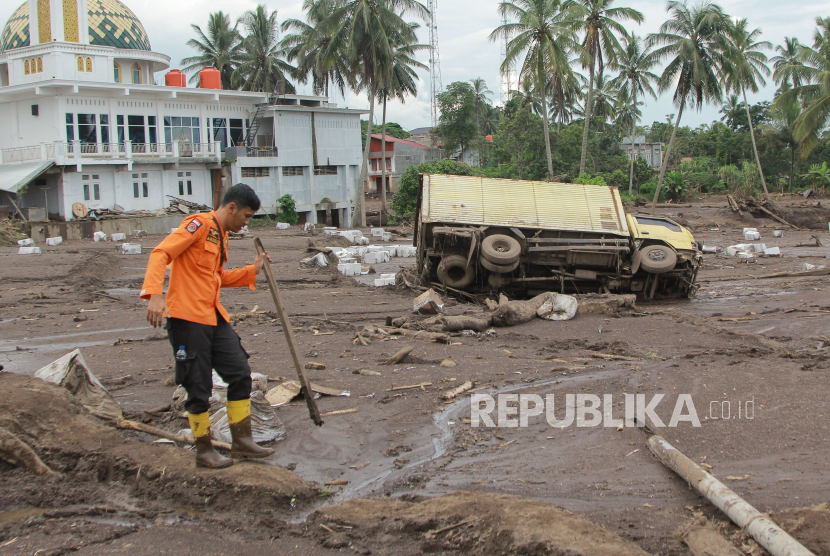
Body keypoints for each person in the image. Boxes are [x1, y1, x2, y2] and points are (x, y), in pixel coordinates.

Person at [141, 183, 274, 468]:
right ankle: (204, 451)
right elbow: (160, 254)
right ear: (232, 207)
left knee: (240, 373)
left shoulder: (221, 236)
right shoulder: (198, 225)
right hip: (187, 319)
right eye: (247, 216)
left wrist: (253, 270)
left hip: (213, 317)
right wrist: (154, 295)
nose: (247, 223)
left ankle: (242, 441)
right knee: (197, 385)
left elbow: (216, 278)